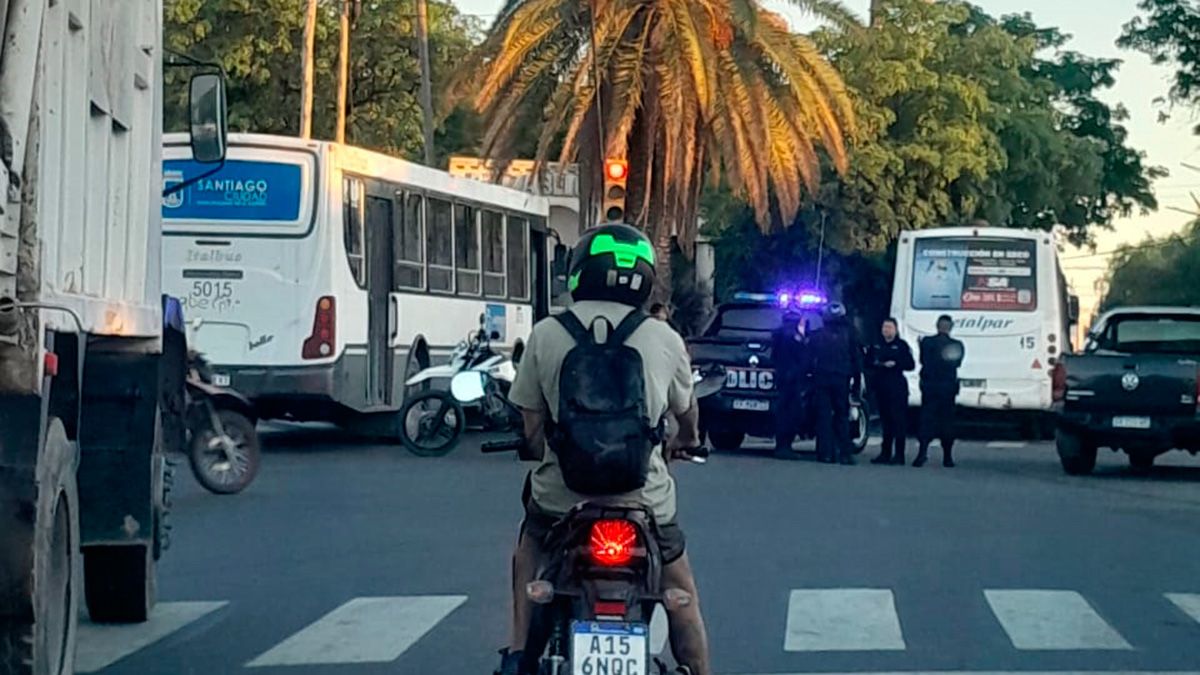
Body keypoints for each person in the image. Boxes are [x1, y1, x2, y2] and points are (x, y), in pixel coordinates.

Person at [499, 223, 711, 675]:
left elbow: (531, 423)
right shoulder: (664, 338)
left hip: (562, 499)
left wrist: (537, 449)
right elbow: (687, 414)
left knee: (529, 549)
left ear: (581, 271)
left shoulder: (546, 333)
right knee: (682, 593)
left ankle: (518, 653)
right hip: (645, 502)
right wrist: (685, 442)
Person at [807, 302, 862, 465]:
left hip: (822, 379)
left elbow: (809, 359)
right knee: (842, 416)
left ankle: (824, 453)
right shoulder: (850, 334)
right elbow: (856, 360)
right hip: (841, 380)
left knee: (823, 417)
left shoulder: (817, 335)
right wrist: (857, 383)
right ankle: (844, 453)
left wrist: (810, 376)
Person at [915, 314, 965, 468]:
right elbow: (956, 363)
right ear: (950, 328)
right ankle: (947, 457)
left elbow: (923, 360)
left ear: (937, 326)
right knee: (947, 421)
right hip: (948, 388)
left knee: (926, 420)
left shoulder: (927, 342)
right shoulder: (956, 345)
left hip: (930, 387)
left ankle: (922, 453)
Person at [867, 318, 915, 465]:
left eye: (889, 327)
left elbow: (910, 365)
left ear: (895, 329)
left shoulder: (901, 345)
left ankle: (899, 455)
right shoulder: (876, 345)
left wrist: (896, 363)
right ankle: (885, 453)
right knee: (886, 422)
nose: (886, 330)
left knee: (898, 422)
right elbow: (867, 362)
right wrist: (878, 364)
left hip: (897, 387)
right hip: (881, 387)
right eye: (884, 327)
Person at [771, 310, 811, 460]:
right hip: (793, 380)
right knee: (792, 413)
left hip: (781, 378)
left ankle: (781, 445)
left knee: (782, 412)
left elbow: (774, 356)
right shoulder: (795, 337)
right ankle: (785, 446)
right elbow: (804, 357)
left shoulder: (777, 334)